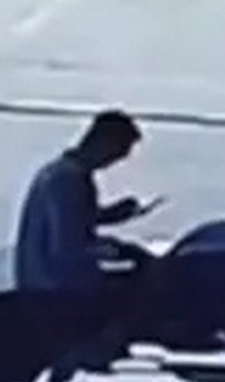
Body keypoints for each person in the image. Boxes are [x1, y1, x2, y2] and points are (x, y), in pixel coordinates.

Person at [12, 109, 161, 338]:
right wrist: (122, 251)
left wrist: (111, 214)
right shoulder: (70, 180)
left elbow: (72, 219)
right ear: (104, 143)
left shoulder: (57, 172)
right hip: (56, 288)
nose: (117, 160)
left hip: (41, 280)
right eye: (119, 152)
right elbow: (70, 246)